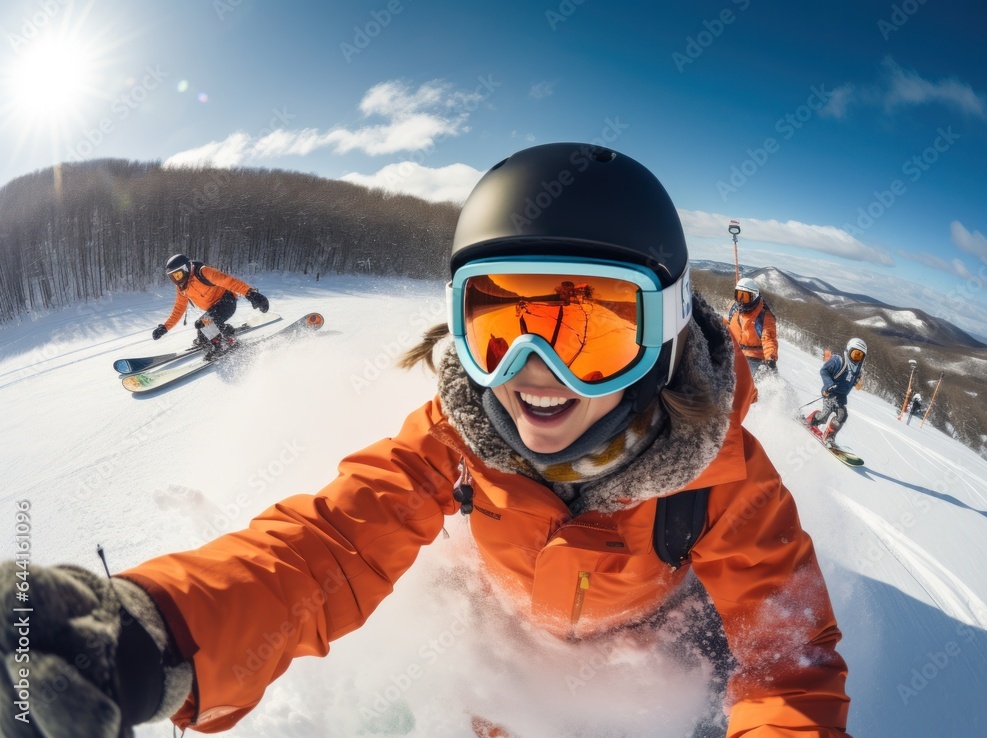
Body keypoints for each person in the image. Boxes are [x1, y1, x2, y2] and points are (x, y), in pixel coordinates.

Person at [0, 143, 851, 737]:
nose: (534, 370)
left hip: (658, 637)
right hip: (516, 636)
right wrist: (157, 633)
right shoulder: (460, 437)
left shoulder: (723, 480)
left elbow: (791, 667)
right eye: (498, 325)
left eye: (586, 329)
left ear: (661, 336)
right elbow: (330, 544)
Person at [152, 253, 270, 355]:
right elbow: (178, 309)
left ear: (186, 269)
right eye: (173, 278)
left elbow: (229, 282)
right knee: (201, 325)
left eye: (178, 275)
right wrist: (165, 327)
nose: (177, 280)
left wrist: (250, 293)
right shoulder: (182, 289)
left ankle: (224, 344)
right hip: (213, 310)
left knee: (207, 321)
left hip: (226, 302)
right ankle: (217, 335)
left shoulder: (203, 272)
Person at [807, 337, 867, 445]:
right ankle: (812, 420)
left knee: (842, 415)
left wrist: (857, 382)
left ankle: (829, 436)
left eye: (860, 356)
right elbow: (824, 371)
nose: (857, 358)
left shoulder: (857, 370)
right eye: (855, 354)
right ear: (849, 350)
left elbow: (851, 381)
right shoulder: (838, 360)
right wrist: (829, 384)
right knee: (825, 415)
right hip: (830, 392)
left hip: (841, 397)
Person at [725, 277, 778, 377]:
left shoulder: (763, 315)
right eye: (738, 295)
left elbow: (769, 338)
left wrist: (771, 358)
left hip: (754, 357)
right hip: (733, 351)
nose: (740, 301)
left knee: (743, 379)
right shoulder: (735, 309)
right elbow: (728, 326)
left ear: (753, 297)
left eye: (744, 297)